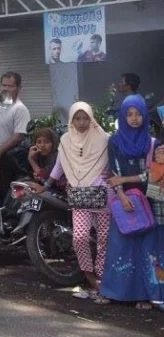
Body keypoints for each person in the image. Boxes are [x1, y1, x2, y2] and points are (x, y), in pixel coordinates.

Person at [33, 102, 110, 302]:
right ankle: (88, 274)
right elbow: (60, 166)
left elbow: (114, 162)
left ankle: (102, 277)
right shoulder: (66, 141)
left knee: (104, 238)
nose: (82, 122)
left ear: (91, 118)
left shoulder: (104, 139)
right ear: (72, 120)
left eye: (85, 118)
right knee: (80, 237)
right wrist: (47, 185)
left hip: (103, 194)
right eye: (78, 118)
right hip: (78, 194)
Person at [100, 95, 164, 309]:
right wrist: (121, 195)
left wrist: (125, 181)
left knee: (147, 249)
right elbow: (113, 171)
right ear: (123, 116)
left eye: (138, 114)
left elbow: (152, 174)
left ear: (144, 116)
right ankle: (116, 293)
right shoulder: (115, 141)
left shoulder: (153, 143)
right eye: (129, 114)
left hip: (150, 202)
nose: (134, 118)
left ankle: (145, 295)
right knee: (121, 246)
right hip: (123, 203)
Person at [0, 72, 31, 192]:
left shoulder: (20, 109)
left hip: (7, 156)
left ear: (18, 88)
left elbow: (19, 135)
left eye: (10, 86)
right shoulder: (1, 106)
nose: (6, 89)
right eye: (3, 85)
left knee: (4, 189)